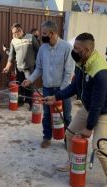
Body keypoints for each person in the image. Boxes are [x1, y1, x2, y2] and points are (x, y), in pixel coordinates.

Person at [43, 33, 107, 187]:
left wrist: (89, 127)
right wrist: (55, 97)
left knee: (99, 146)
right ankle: (71, 162)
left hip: (105, 110)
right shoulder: (81, 62)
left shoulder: (101, 71)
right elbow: (74, 87)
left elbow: (98, 103)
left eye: (76, 49)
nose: (74, 51)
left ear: (86, 50)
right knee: (70, 134)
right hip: (89, 105)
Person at [22, 20, 75, 148]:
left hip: (63, 89)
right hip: (47, 88)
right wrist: (30, 79)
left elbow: (69, 72)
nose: (41, 36)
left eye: (44, 33)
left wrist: (61, 92)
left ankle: (68, 140)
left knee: (66, 115)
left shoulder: (66, 47)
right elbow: (39, 68)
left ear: (52, 33)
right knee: (47, 114)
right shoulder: (42, 48)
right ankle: (47, 137)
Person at [2, 23, 40, 109]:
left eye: (14, 33)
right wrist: (7, 67)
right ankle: (21, 101)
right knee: (20, 86)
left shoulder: (31, 37)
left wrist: (38, 65)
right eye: (12, 33)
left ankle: (31, 103)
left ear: (20, 31)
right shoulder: (13, 41)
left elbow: (39, 51)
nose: (13, 35)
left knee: (30, 86)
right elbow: (11, 56)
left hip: (29, 68)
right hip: (18, 68)